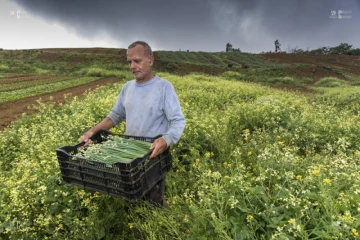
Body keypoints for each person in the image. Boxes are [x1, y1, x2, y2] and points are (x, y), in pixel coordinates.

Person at [79, 41, 186, 205]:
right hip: (129, 156)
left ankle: (155, 226)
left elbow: (178, 121)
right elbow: (114, 116)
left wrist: (166, 140)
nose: (132, 66)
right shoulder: (127, 88)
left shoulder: (164, 88)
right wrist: (91, 132)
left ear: (150, 60)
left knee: (153, 202)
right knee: (131, 199)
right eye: (129, 62)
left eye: (137, 61)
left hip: (151, 157)